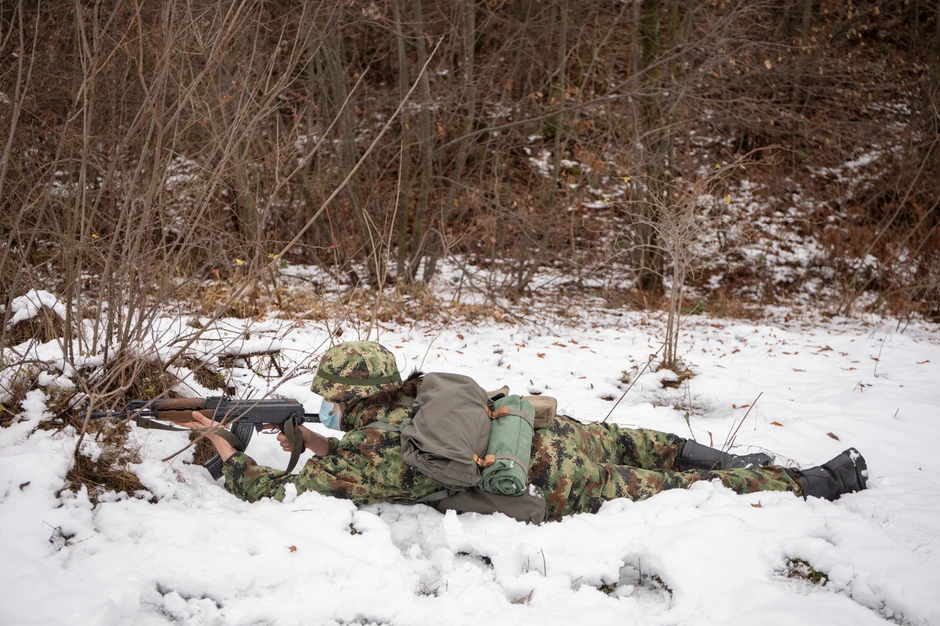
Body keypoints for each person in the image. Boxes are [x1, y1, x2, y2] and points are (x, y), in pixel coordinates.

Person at [181, 341, 868, 522]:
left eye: (327, 401)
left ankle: (809, 483)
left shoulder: (367, 453)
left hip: (557, 479)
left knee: (676, 492)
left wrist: (220, 452)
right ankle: (733, 456)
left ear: (347, 399)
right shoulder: (411, 407)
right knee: (653, 446)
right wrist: (311, 442)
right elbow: (355, 449)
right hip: (550, 432)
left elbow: (282, 497)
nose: (321, 409)